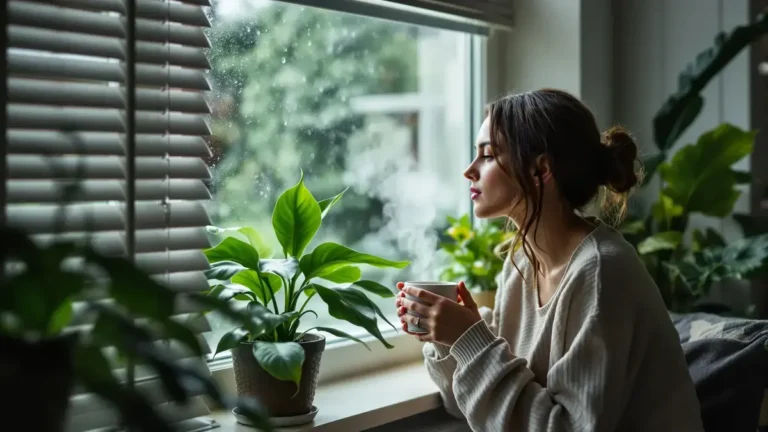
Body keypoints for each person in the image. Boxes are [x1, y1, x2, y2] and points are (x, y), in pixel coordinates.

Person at [394, 89, 704, 431]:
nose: (470, 170)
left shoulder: (602, 272)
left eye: (488, 155)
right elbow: (479, 410)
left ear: (541, 168)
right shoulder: (522, 266)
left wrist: (471, 339)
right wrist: (452, 336)